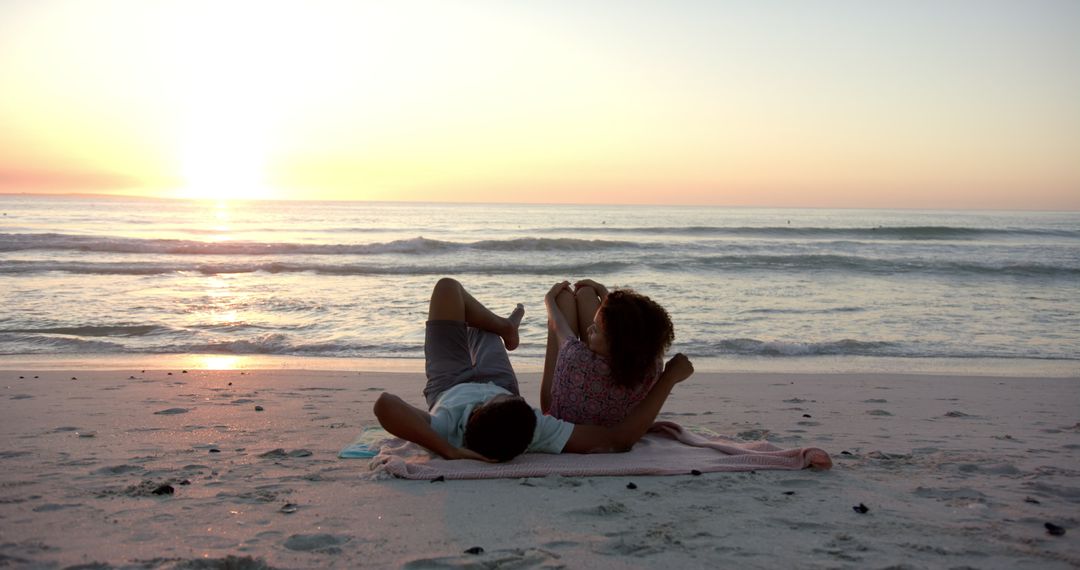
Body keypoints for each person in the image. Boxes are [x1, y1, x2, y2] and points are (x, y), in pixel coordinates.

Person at [373, 277, 694, 462]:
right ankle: (503, 328)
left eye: (499, 400)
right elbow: (617, 439)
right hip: (498, 377)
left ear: (475, 414)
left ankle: (503, 327)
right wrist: (668, 379)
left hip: (449, 383)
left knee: (447, 289)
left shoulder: (443, 426)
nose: (492, 396)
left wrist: (449, 451)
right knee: (476, 327)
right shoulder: (534, 429)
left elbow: (384, 404)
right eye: (517, 401)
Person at [541, 279, 674, 427]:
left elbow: (557, 324)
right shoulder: (651, 364)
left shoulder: (579, 358)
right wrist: (602, 290)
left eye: (595, 329)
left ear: (616, 342)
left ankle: (568, 299)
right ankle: (593, 304)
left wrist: (549, 300)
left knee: (563, 299)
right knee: (587, 294)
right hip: (617, 424)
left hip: (564, 423)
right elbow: (630, 322)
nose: (588, 329)